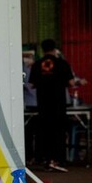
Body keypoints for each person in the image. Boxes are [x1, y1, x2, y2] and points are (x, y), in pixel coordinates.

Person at [29, 39, 75, 172]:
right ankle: (59, 160)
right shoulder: (62, 63)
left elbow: (31, 84)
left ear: (42, 50)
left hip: (43, 105)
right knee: (59, 132)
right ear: (55, 49)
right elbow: (71, 83)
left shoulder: (37, 65)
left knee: (45, 132)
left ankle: (46, 160)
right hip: (59, 105)